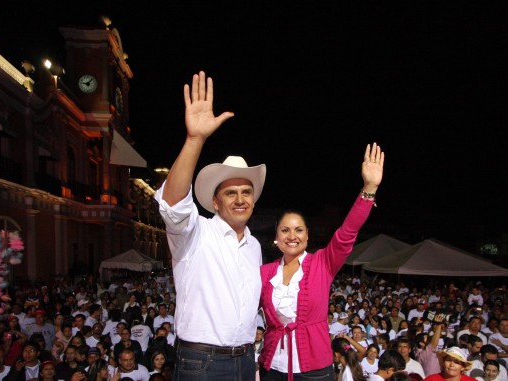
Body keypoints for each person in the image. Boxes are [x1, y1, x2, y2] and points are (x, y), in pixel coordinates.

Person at [154, 70, 265, 381]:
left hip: (245, 358)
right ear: (215, 202)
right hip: (201, 363)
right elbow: (173, 204)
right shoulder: (196, 234)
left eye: (246, 192)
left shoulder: (255, 247)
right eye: (230, 193)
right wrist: (195, 139)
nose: (240, 200)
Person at [258, 142, 384, 381]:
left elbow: (347, 233)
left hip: (314, 368)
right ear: (276, 237)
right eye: (285, 230)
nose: (292, 236)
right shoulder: (264, 273)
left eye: (298, 230)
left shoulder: (322, 263)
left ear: (307, 236)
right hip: (272, 365)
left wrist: (368, 189)